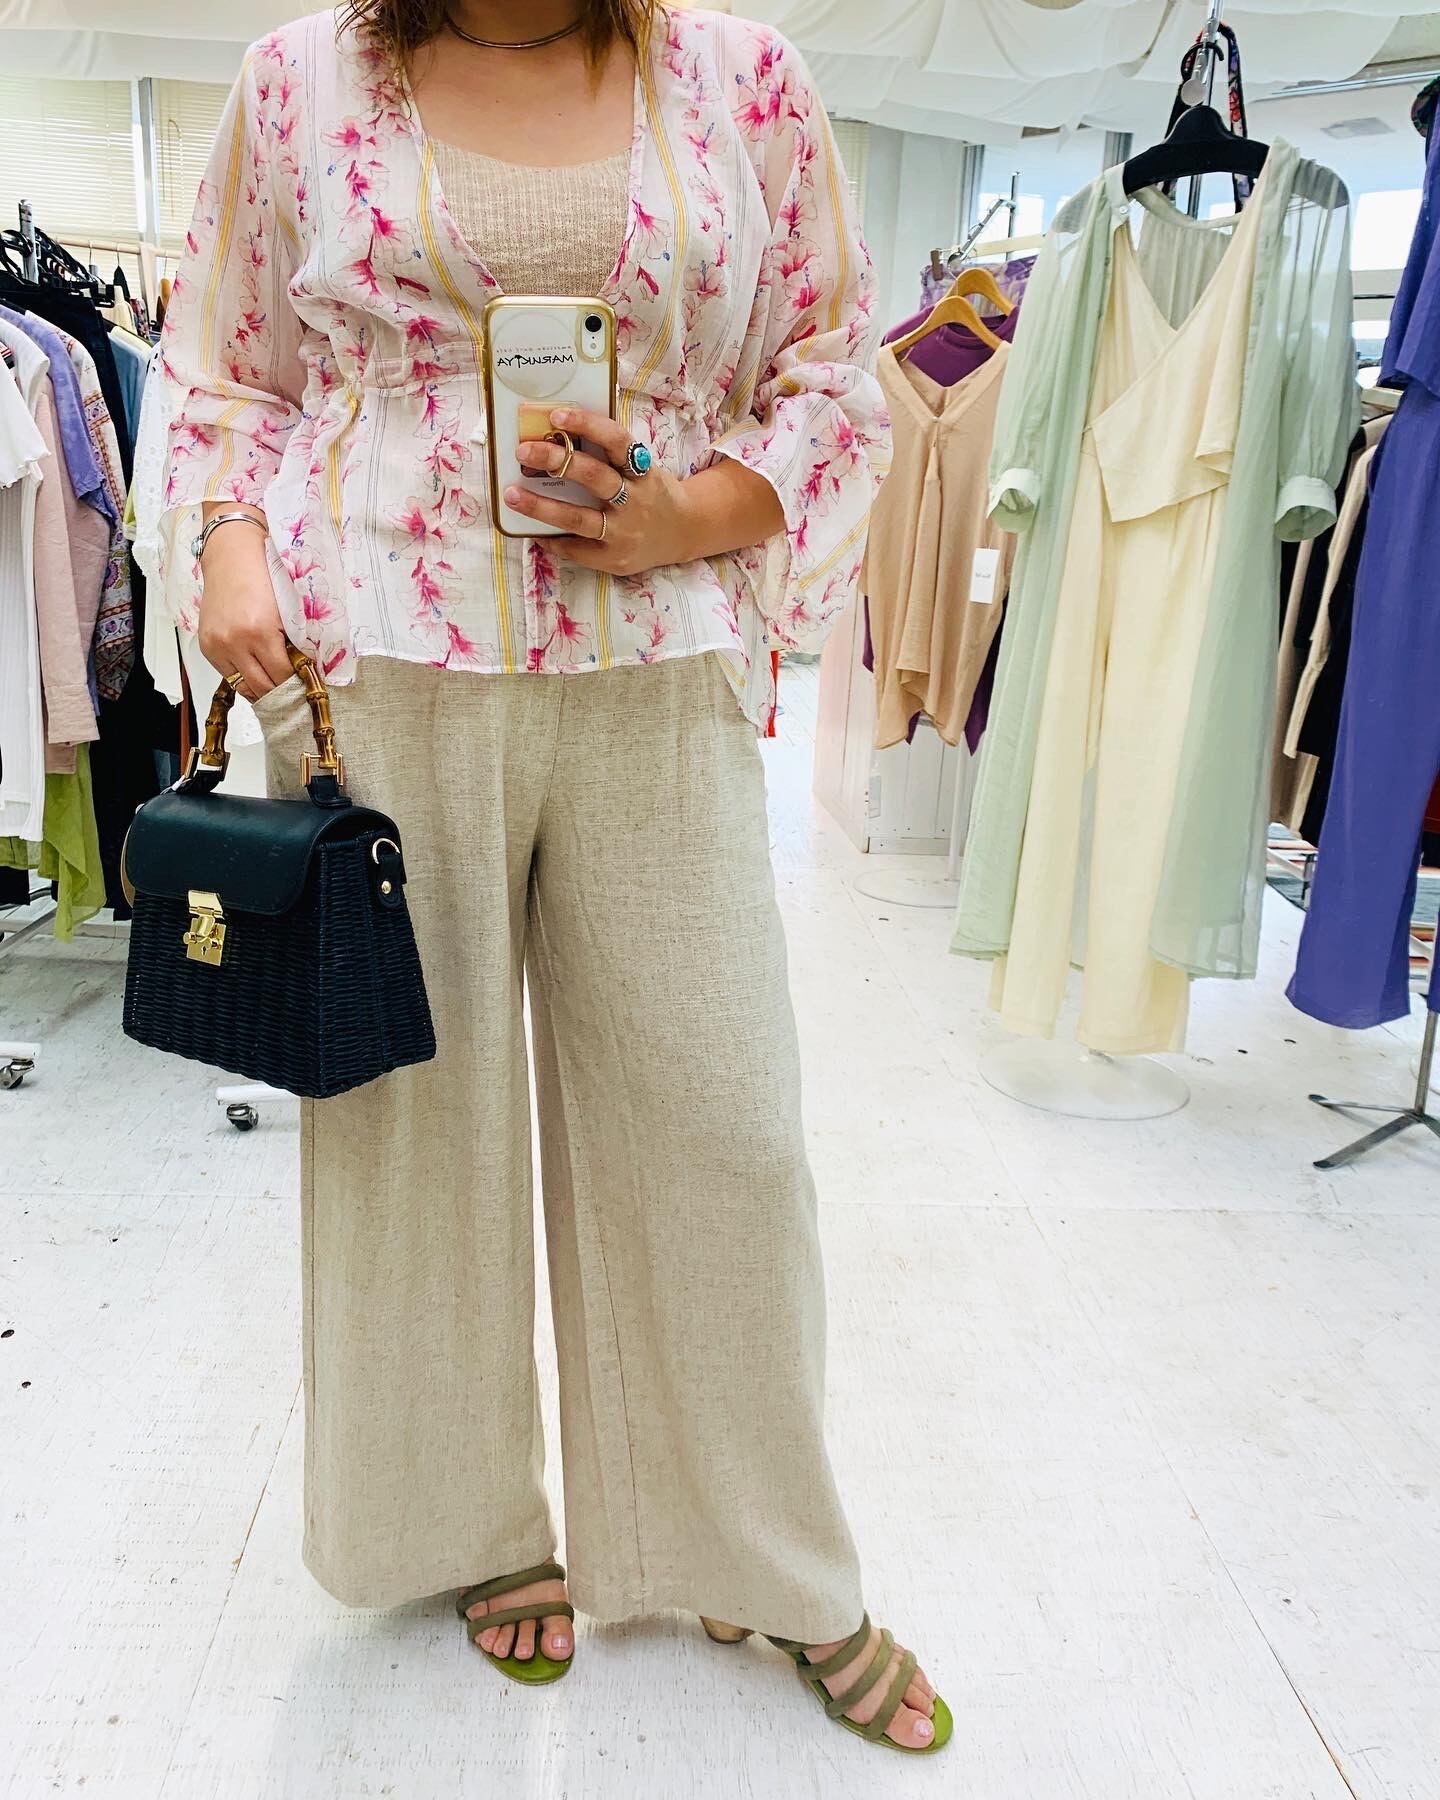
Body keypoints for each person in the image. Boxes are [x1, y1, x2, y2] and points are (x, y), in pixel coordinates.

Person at [156, 0, 949, 1755]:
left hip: (657, 658)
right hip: (375, 666)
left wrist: (689, 511)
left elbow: (834, 369)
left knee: (726, 1133)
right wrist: (225, 545)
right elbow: (225, 368)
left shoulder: (741, 76)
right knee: (412, 1134)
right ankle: (469, 1527)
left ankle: (753, 1552)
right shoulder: (301, 77)